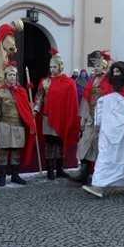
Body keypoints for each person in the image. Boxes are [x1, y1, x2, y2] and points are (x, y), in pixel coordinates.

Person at [82, 61, 124, 198]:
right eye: (114, 72)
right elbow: (100, 105)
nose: (116, 75)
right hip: (107, 129)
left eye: (118, 72)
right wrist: (98, 123)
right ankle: (98, 185)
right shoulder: (109, 88)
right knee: (105, 155)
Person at [33, 49, 80, 180]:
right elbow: (39, 97)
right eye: (51, 67)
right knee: (49, 144)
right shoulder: (45, 82)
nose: (52, 69)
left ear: (60, 67)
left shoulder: (69, 83)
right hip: (48, 118)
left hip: (62, 117)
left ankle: (59, 169)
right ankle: (49, 170)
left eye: (55, 66)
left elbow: (72, 102)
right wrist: (36, 108)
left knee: (60, 144)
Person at [0, 61, 37, 186]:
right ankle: (2, 176)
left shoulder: (22, 91)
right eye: (9, 75)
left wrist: (31, 110)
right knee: (3, 152)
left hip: (18, 125)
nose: (12, 77)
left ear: (16, 77)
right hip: (4, 124)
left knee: (16, 151)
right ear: (5, 76)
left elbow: (25, 107)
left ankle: (15, 175)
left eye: (13, 75)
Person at [70, 51, 112, 184]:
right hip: (91, 119)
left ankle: (99, 175)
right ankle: (84, 171)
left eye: (99, 66)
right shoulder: (92, 81)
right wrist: (84, 118)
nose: (96, 68)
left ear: (104, 67)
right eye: (95, 66)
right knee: (85, 144)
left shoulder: (109, 82)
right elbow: (86, 100)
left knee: (99, 147)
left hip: (103, 121)